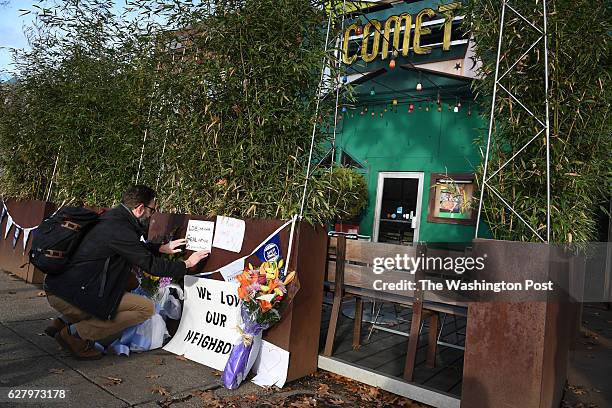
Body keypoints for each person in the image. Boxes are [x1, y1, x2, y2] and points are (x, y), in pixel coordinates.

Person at [44, 185, 210, 360]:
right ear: (140, 208)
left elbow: (129, 247)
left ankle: (63, 321)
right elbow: (151, 265)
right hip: (72, 294)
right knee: (145, 308)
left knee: (127, 285)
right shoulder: (121, 229)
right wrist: (187, 264)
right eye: (152, 210)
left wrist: (160, 247)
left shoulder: (111, 218)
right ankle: (75, 334)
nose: (151, 214)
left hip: (61, 288)